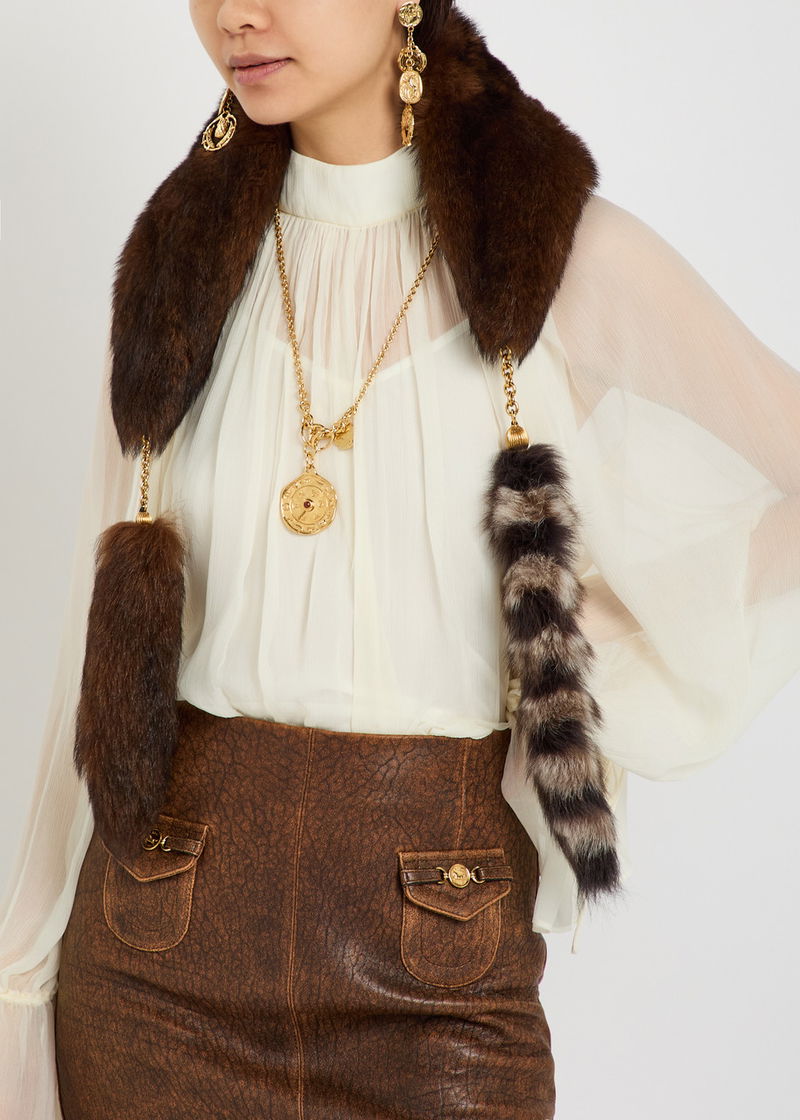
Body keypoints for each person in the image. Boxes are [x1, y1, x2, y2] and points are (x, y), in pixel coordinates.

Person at [1, 1, 798, 1117]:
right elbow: (91, 665)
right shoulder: (180, 266)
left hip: (442, 965)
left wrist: (573, 651)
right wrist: (20, 977)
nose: (236, 14)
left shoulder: (554, 255)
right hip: (153, 954)